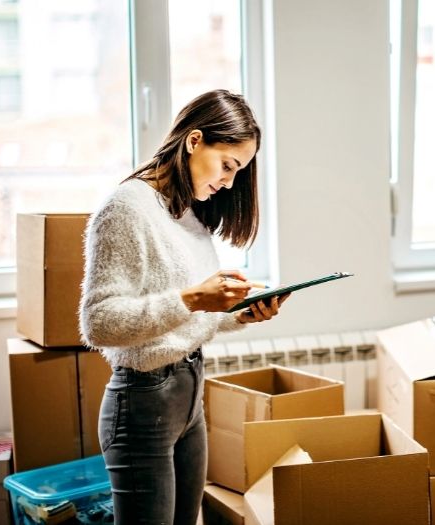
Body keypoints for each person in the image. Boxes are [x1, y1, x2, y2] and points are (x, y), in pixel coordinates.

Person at [79, 89, 288, 525]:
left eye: (239, 171)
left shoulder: (186, 213)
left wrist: (239, 312)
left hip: (189, 394)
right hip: (142, 404)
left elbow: (184, 319)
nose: (230, 182)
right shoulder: (125, 209)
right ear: (194, 141)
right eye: (228, 165)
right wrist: (194, 297)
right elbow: (98, 323)